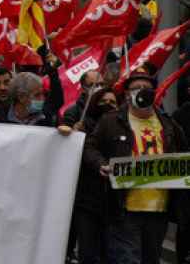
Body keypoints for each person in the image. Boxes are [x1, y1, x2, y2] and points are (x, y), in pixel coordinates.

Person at [89, 71, 185, 264]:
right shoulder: (111, 121)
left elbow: (184, 155)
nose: (142, 92)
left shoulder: (169, 125)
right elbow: (90, 147)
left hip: (159, 210)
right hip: (124, 210)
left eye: (147, 89)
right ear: (126, 94)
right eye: (136, 89)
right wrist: (100, 164)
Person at [72, 86, 120, 264]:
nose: (108, 105)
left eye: (112, 102)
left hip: (114, 203)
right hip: (87, 201)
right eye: (103, 101)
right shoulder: (84, 126)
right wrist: (75, 137)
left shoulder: (123, 128)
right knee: (88, 253)